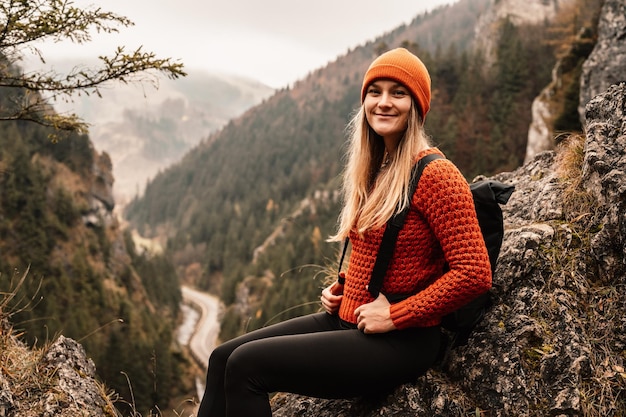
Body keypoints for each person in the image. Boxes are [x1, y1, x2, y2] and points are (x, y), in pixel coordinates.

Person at [196, 47, 492, 417]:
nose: (383, 102)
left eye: (398, 93)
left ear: (417, 106)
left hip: (403, 339)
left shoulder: (437, 175)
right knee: (222, 357)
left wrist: (397, 315)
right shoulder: (379, 169)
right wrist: (345, 287)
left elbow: (475, 273)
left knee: (247, 367)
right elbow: (387, 251)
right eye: (375, 91)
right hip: (350, 320)